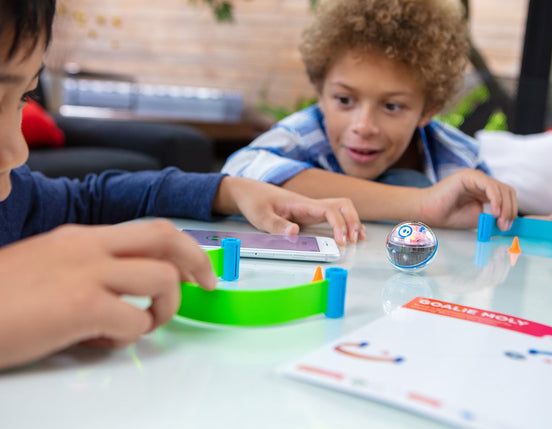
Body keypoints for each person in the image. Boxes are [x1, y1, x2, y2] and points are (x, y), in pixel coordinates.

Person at [0, 0, 370, 370]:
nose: (16, 152)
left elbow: (90, 198)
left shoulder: (18, 196)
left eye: (22, 98)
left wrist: (229, 190)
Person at [221, 0, 552, 248]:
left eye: (392, 106)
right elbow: (241, 174)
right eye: (344, 100)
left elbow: (493, 226)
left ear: (428, 109)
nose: (363, 125)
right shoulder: (304, 133)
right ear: (320, 92)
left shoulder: (456, 156)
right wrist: (421, 205)